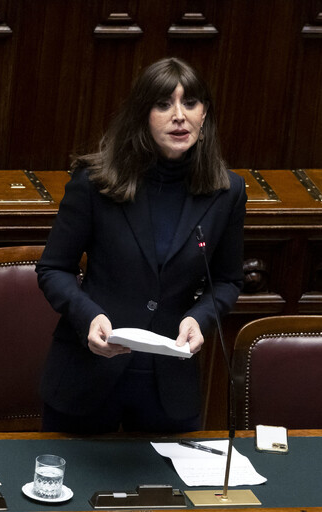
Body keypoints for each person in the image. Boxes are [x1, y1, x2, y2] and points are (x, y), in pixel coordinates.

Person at [36, 57, 246, 434]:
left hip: (169, 387)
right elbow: (53, 269)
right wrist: (88, 316)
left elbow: (228, 280)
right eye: (164, 104)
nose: (179, 116)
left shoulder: (226, 191)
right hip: (87, 376)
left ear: (204, 115)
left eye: (190, 103)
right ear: (142, 115)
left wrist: (199, 318)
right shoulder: (94, 182)